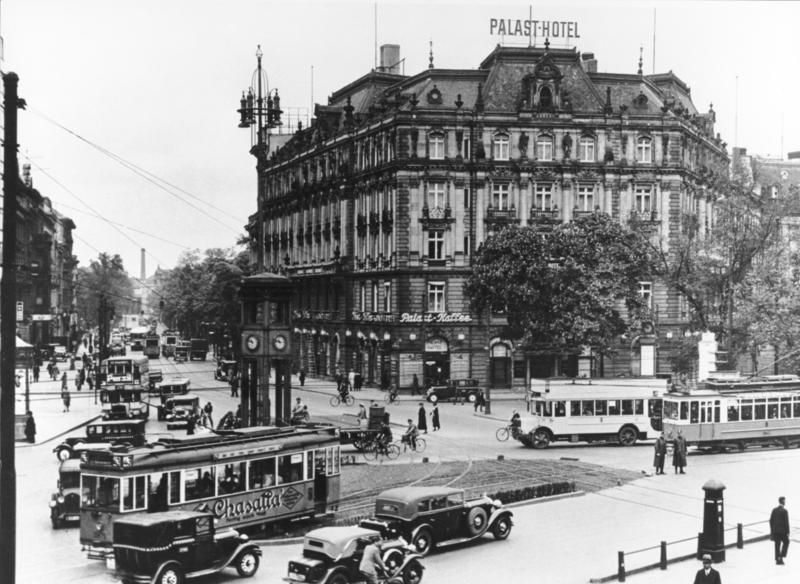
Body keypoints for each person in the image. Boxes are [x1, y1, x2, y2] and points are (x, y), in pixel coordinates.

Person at [770, 496, 790, 565]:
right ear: (783, 502)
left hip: (775, 531)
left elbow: (771, 520)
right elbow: (786, 522)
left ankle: (777, 560)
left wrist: (772, 530)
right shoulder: (785, 511)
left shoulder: (774, 510)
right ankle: (781, 556)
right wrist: (788, 532)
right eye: (784, 501)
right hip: (783, 532)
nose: (785, 502)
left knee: (777, 545)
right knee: (786, 542)